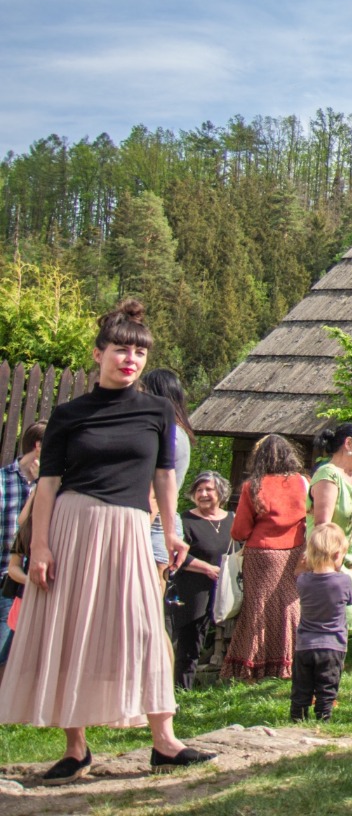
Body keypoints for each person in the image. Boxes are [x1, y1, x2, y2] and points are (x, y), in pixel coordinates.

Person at [0, 299, 216, 782]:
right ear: (98, 355)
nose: (130, 360)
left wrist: (175, 533)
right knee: (69, 628)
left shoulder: (158, 411)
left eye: (138, 354)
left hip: (132, 529)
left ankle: (165, 742)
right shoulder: (68, 414)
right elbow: (49, 484)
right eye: (120, 350)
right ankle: (76, 749)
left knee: (145, 629)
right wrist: (39, 547)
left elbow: (164, 478)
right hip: (71, 529)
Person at [224, 434, 311, 682]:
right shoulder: (304, 482)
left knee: (258, 607)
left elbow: (239, 530)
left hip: (262, 553)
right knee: (290, 606)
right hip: (295, 551)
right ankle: (290, 661)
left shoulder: (252, 486)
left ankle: (253, 666)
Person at [165, 472, 234, 691]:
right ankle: (180, 689)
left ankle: (226, 684)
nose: (203, 494)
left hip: (225, 589)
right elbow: (176, 555)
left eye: (208, 490)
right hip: (191, 589)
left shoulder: (232, 519)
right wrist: (208, 569)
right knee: (189, 639)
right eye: (198, 490)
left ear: (220, 493)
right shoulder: (185, 520)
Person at [309, 422, 352, 635]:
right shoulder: (328, 474)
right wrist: (337, 570)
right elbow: (322, 529)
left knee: (342, 632)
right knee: (330, 630)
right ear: (348, 443)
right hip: (330, 567)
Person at [292, 522, 352, 722]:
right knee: (327, 686)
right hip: (332, 645)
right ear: (338, 554)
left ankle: (297, 717)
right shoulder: (343, 581)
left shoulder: (303, 581)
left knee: (301, 687)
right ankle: (324, 716)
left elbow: (300, 577)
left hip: (305, 645)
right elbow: (350, 600)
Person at [0, 421, 44, 671]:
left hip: (31, 584)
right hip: (8, 580)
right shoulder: (3, 481)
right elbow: (22, 524)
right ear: (38, 447)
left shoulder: (50, 486)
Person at [141, 369, 193, 576]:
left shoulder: (170, 435)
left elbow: (153, 494)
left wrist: (136, 533)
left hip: (153, 525)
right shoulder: (175, 432)